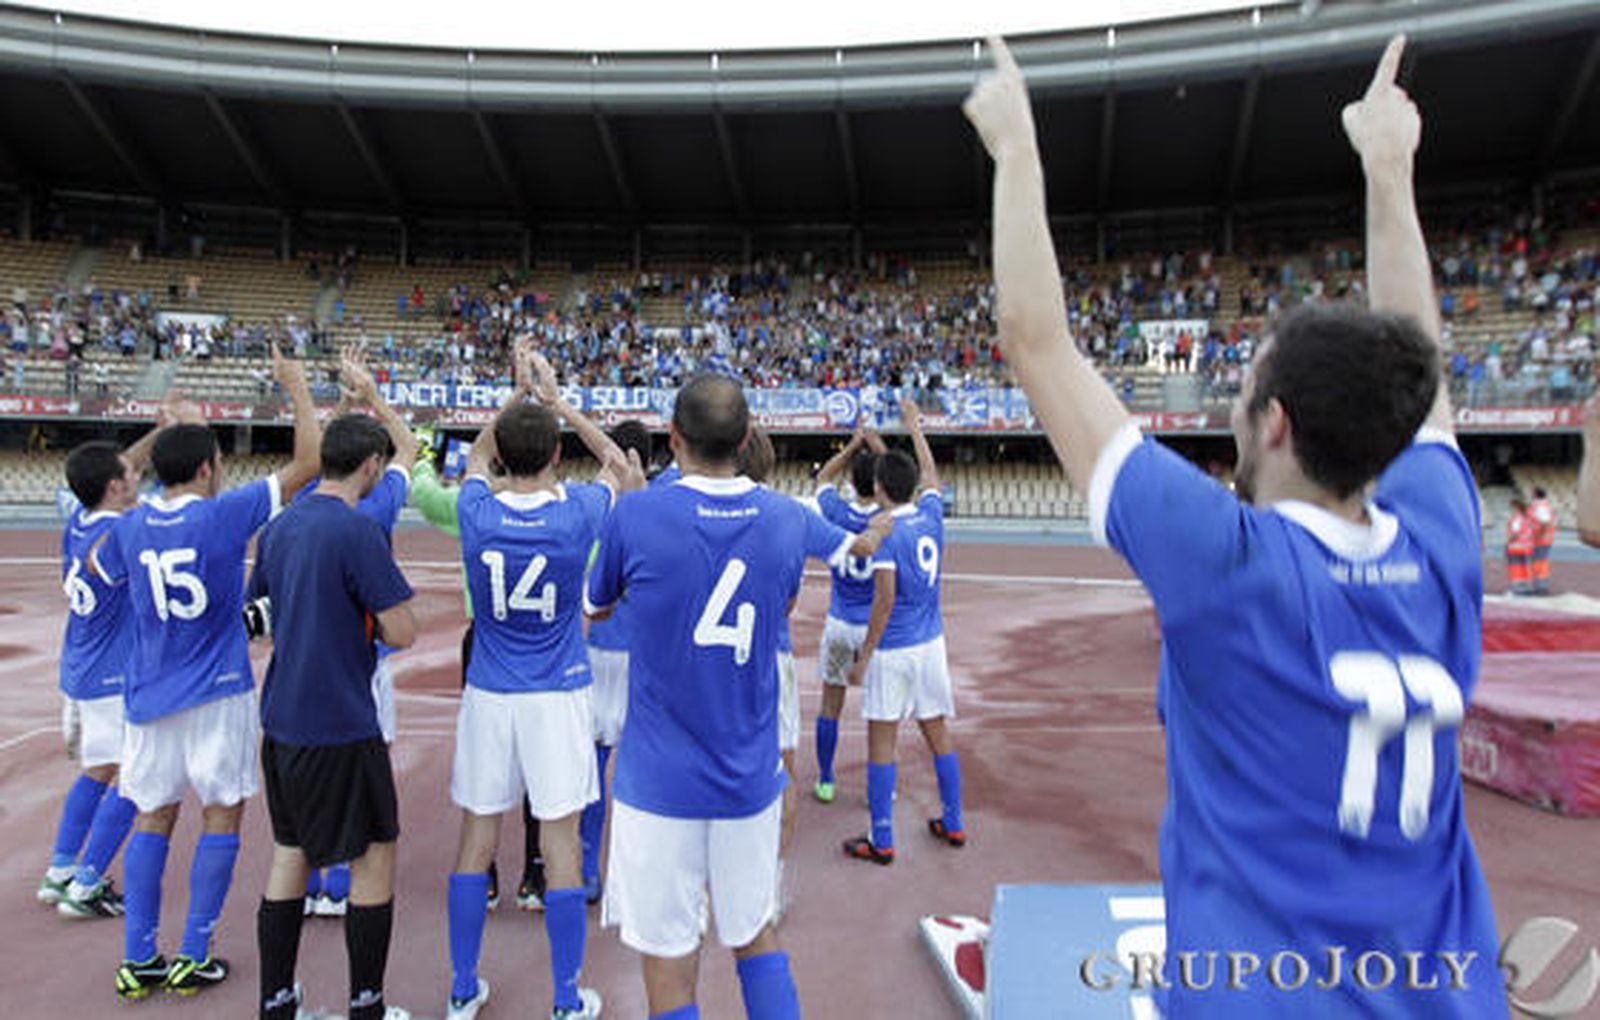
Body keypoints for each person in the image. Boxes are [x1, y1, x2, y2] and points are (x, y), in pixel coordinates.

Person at [965, 34, 1506, 1016]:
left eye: (1243, 391)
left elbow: (1036, 341)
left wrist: (1015, 151)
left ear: (1276, 425)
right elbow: (1419, 366)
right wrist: (1388, 167)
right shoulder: (1442, 542)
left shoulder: (1230, 562)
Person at [586, 374, 861, 1020]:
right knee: (754, 934)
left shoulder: (636, 512)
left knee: (669, 961)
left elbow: (595, 610)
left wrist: (634, 516)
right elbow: (808, 582)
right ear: (745, 439)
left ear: (673, 436)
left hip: (656, 783)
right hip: (747, 777)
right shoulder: (787, 516)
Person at [90, 344, 320, 1000]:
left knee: (152, 818)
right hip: (217, 687)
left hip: (149, 691)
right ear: (206, 468)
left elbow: (105, 566)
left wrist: (160, 433)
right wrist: (297, 384)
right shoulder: (222, 513)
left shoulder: (128, 529)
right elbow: (307, 461)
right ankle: (195, 949)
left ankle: (140, 957)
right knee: (221, 814)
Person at [445, 342, 634, 1020]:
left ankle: (463, 988)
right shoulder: (580, 510)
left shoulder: (475, 511)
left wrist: (514, 395)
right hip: (557, 694)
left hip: (490, 692)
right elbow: (618, 462)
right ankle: (562, 999)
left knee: (475, 839)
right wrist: (556, 401)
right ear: (556, 456)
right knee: (559, 847)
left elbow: (471, 459)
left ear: (502, 457)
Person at [249, 412, 419, 1020]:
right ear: (372, 465)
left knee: (290, 851)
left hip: (283, 717)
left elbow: (257, 620)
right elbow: (403, 631)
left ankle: (277, 1000)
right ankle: (366, 1005)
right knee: (374, 854)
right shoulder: (356, 532)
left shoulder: (279, 528)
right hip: (342, 718)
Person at [41, 399, 187, 920]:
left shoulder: (80, 517)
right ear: (115, 488)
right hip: (111, 676)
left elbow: (117, 464)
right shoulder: (124, 531)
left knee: (97, 769)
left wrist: (156, 432)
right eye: (130, 475)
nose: (137, 474)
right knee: (138, 777)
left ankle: (61, 867)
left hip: (81, 667)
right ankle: (86, 881)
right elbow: (175, 506)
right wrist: (183, 440)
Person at [735, 426, 890, 911]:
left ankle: (704, 890)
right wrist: (895, 518)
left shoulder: (682, 511)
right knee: (782, 769)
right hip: (772, 652)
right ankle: (771, 887)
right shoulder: (793, 516)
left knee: (711, 763)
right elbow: (863, 548)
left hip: (713, 658)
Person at [301, 349, 420, 919]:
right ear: (370, 464)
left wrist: (347, 404)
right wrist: (373, 395)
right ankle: (344, 878)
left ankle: (313, 876)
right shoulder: (378, 508)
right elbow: (410, 448)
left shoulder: (302, 504)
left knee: (310, 765)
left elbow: (323, 457)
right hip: (364, 659)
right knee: (364, 763)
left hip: (303, 660)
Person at [412, 419, 545, 912]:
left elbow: (424, 492)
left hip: (487, 642)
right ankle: (537, 868)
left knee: (484, 756)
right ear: (553, 458)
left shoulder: (471, 508)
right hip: (545, 647)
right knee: (543, 763)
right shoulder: (566, 511)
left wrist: (424, 454)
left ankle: (482, 871)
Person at [842, 398, 965, 865]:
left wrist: (864, 657)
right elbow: (931, 474)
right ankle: (953, 821)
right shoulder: (930, 515)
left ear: (877, 487)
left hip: (894, 649)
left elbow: (885, 600)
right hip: (931, 644)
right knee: (938, 734)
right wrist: (915, 427)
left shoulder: (887, 530)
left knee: (882, 740)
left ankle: (882, 837)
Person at [581, 418, 655, 905]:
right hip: (644, 662)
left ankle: (587, 867)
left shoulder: (595, 505)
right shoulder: (660, 503)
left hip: (596, 651)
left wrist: (563, 408)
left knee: (592, 770)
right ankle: (635, 875)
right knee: (639, 773)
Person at [810, 426, 888, 804]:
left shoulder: (836, 511)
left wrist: (853, 444)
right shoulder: (888, 519)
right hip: (875, 630)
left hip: (840, 623)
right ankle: (879, 788)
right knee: (880, 713)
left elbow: (823, 477)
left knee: (830, 706)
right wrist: (875, 444)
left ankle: (826, 779)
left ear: (854, 483)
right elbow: (900, 482)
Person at [1529, 485, 1556, 594]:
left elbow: (1545, 523)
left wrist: (1540, 536)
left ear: (1535, 493)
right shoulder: (1543, 505)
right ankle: (1540, 586)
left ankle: (1541, 587)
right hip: (1542, 539)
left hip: (1540, 539)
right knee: (1540, 562)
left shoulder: (1540, 506)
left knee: (1540, 563)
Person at [1506, 495, 1535, 596]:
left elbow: (1515, 532)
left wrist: (1508, 541)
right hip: (1527, 547)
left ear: (1515, 507)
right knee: (1526, 567)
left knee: (1516, 568)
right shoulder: (1526, 517)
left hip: (1516, 547)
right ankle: (1528, 586)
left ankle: (1518, 587)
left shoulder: (1516, 518)